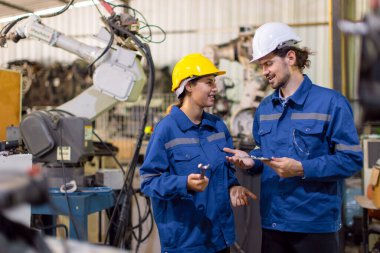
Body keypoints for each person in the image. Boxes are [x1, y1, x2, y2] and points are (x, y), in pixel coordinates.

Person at [224, 22, 363, 253]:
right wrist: (251, 160)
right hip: (273, 224)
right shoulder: (266, 108)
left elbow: (351, 159)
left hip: (315, 227)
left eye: (268, 63)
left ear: (290, 57)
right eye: (261, 65)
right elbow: (265, 152)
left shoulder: (331, 103)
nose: (264, 71)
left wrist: (301, 168)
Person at [140, 53, 256, 253]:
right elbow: (149, 182)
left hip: (219, 238)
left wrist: (233, 188)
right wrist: (184, 183)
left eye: (215, 82)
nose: (215, 89)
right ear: (189, 85)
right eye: (209, 82)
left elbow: (225, 173)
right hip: (186, 242)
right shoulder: (166, 130)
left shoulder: (218, 126)